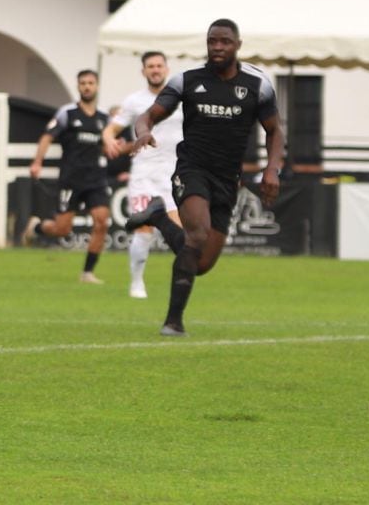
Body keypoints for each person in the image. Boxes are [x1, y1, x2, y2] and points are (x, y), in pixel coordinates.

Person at [126, 18, 284, 337]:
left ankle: (158, 215)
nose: (217, 47)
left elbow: (275, 130)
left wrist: (272, 169)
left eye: (224, 41)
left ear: (238, 45)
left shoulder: (258, 84)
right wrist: (142, 132)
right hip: (192, 169)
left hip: (228, 180)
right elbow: (149, 115)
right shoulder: (187, 80)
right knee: (196, 236)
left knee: (201, 264)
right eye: (212, 41)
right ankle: (173, 321)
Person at [102, 51, 184, 299]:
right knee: (144, 230)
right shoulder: (134, 101)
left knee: (180, 234)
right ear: (143, 71)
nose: (155, 70)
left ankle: (181, 285)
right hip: (144, 175)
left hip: (174, 174)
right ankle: (137, 282)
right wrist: (109, 140)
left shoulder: (181, 100)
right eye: (150, 66)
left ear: (166, 69)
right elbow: (111, 130)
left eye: (159, 65)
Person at [22, 70, 111, 284]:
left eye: (91, 83)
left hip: (95, 180)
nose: (87, 87)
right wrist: (37, 162)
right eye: (83, 83)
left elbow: (108, 146)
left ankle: (87, 272)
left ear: (97, 86)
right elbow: (46, 136)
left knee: (101, 222)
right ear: (78, 86)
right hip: (71, 179)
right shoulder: (67, 113)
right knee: (63, 229)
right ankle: (36, 228)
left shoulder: (103, 118)